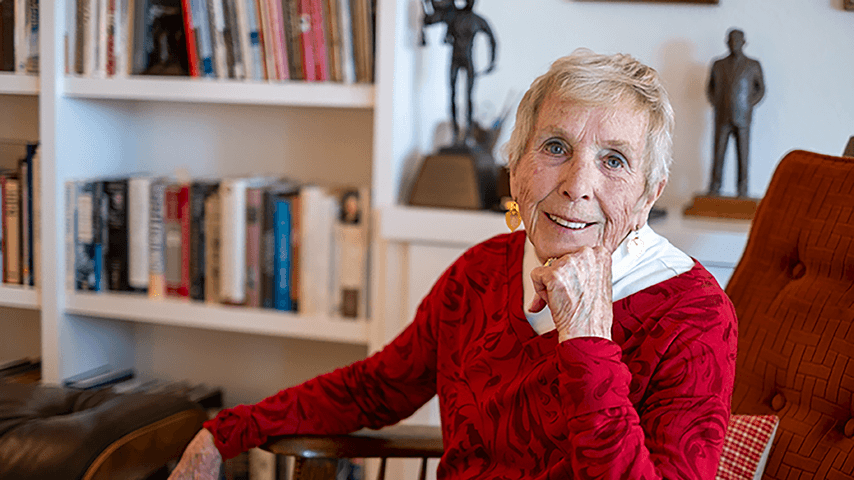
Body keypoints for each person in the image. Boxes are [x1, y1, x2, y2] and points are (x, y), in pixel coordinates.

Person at [169, 49, 737, 479]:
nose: (577, 185)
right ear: (515, 164)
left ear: (648, 194)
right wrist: (227, 432)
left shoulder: (694, 315)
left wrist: (586, 340)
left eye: (613, 160)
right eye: (555, 148)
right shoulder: (482, 272)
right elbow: (375, 388)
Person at [421, 0, 497, 144]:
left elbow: (492, 39)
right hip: (455, 60)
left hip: (468, 61)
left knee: (468, 97)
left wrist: (492, 61)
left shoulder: (476, 20)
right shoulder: (453, 16)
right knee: (452, 95)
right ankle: (455, 133)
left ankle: (468, 133)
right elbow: (430, 20)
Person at [706, 28, 765, 197]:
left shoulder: (753, 65)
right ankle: (715, 186)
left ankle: (742, 189)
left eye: (738, 41)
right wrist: (717, 103)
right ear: (727, 42)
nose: (734, 44)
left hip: (743, 117)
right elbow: (710, 88)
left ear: (744, 43)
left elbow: (760, 89)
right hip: (722, 115)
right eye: (731, 41)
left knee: (743, 155)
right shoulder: (718, 64)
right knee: (718, 153)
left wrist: (748, 104)